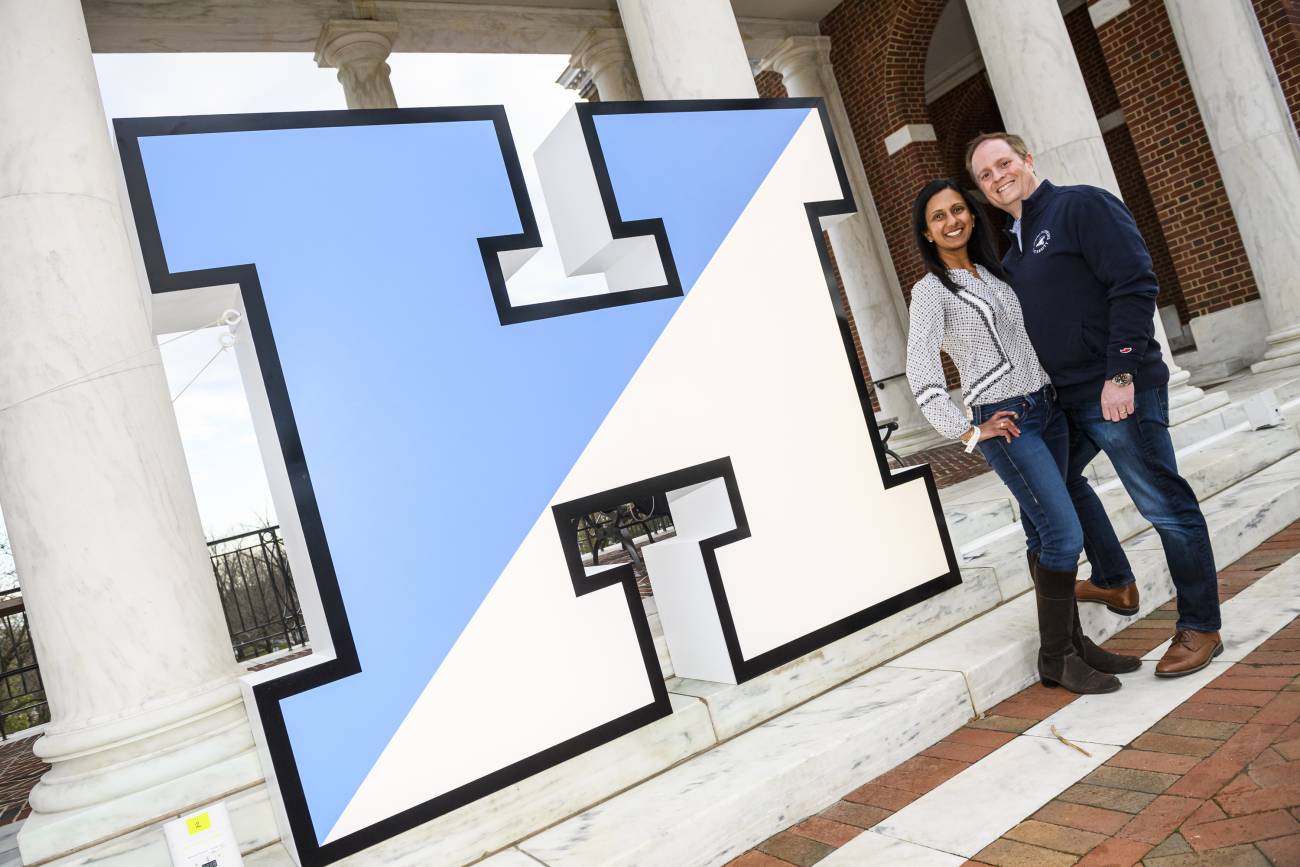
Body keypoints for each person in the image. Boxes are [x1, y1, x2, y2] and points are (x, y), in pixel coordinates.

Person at [967, 132, 1223, 678]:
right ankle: (1113, 579)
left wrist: (1122, 371)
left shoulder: (1079, 205)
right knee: (1059, 483)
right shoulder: (1013, 246)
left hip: (1116, 390)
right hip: (1066, 400)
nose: (997, 178)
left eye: (1004, 164)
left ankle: (1201, 625)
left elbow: (1133, 283)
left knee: (1164, 504)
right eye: (985, 175)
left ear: (1028, 160)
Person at [905, 179, 1140, 695]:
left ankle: (1075, 646)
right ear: (926, 231)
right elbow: (920, 375)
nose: (952, 221)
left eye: (959, 210)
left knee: (1042, 534)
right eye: (939, 216)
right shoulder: (930, 292)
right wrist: (968, 431)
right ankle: (1054, 657)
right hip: (1006, 421)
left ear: (971, 214)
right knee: (1063, 533)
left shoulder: (996, 272)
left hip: (1048, 408)